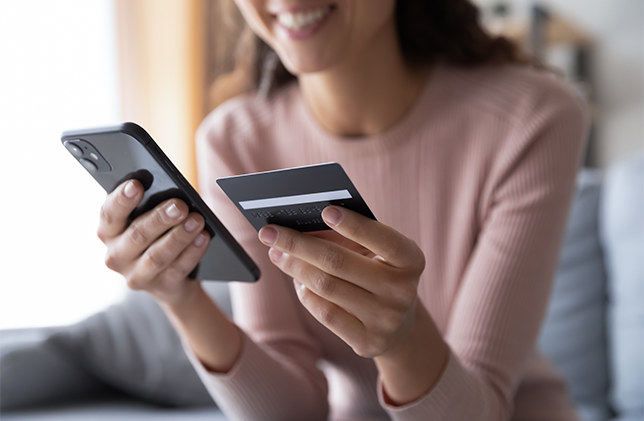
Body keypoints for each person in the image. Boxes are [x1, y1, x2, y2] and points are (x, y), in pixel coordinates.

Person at [97, 0, 587, 420]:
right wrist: (182, 299)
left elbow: (481, 408)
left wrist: (402, 339)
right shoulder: (234, 140)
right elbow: (293, 410)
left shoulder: (532, 119)